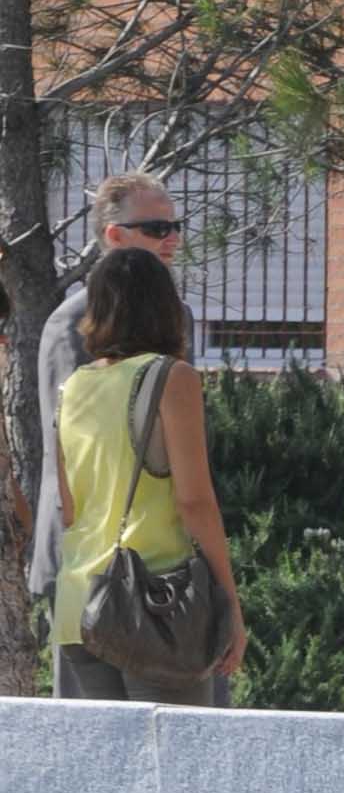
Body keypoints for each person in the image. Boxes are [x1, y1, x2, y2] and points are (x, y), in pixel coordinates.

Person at [49, 250, 245, 704]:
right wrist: (229, 603)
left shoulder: (73, 386)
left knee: (111, 750)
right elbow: (194, 501)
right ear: (165, 306)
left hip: (82, 603)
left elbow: (70, 508)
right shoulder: (171, 378)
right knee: (176, 746)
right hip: (158, 606)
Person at [32, 172, 187, 618]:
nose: (172, 239)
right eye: (157, 228)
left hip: (163, 555)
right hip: (89, 559)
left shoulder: (179, 316)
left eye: (176, 227)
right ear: (115, 236)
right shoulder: (73, 323)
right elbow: (68, 452)